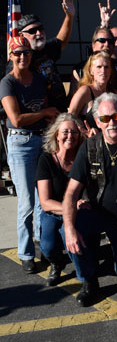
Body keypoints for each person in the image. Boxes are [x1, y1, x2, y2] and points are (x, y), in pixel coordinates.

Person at [62, 93, 117, 306]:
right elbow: (71, 192)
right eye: (105, 118)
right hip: (97, 212)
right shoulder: (89, 146)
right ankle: (89, 281)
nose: (112, 122)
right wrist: (69, 229)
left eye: (116, 116)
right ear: (97, 122)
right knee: (73, 228)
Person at [1, 35, 59, 273]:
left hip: (41, 139)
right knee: (26, 202)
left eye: (26, 52)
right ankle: (26, 253)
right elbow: (16, 119)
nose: (22, 57)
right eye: (17, 53)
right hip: (21, 143)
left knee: (42, 199)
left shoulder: (38, 79)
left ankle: (42, 245)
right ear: (10, 56)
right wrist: (44, 113)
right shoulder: (7, 82)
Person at [36, 113, 86, 286]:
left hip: (78, 212)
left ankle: (85, 278)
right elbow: (45, 202)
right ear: (57, 134)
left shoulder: (83, 158)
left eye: (74, 132)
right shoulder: (46, 159)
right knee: (47, 247)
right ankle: (57, 263)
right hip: (53, 211)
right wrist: (72, 206)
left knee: (70, 237)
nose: (69, 136)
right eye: (65, 132)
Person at [9, 0, 75, 112]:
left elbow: (62, 41)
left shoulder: (45, 48)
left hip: (59, 111)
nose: (38, 33)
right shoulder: (17, 60)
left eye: (40, 29)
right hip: (38, 115)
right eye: (32, 31)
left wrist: (69, 17)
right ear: (21, 35)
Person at [68, 51, 115, 125]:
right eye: (99, 67)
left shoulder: (112, 92)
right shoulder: (85, 91)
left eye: (106, 67)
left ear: (111, 71)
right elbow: (69, 119)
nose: (103, 71)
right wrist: (83, 131)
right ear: (91, 71)